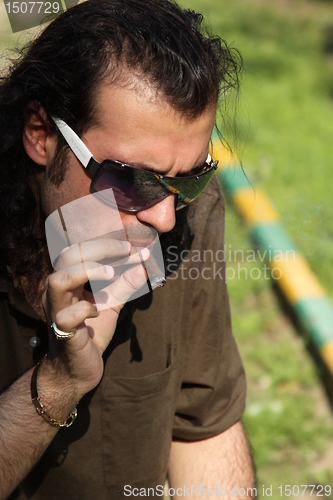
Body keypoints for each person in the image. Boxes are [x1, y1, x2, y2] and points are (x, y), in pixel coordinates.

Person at [0, 0, 255, 498]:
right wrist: (56, 383)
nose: (163, 218)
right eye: (134, 180)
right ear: (42, 135)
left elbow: (201, 426)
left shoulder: (182, 209)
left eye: (192, 180)